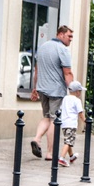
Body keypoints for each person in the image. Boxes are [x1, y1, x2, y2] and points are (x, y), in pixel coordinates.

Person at [30, 25, 74, 160]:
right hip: (56, 91)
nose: (71, 39)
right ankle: (50, 153)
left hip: (42, 89)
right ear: (60, 34)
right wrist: (72, 90)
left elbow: (37, 70)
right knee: (55, 120)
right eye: (69, 36)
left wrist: (35, 88)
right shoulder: (62, 50)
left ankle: (37, 139)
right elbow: (67, 73)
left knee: (47, 117)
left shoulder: (42, 47)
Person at [58, 81, 86, 167]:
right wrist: (85, 121)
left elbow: (61, 109)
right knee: (68, 141)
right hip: (71, 123)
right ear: (77, 91)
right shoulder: (77, 100)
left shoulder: (65, 98)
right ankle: (62, 158)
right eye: (80, 91)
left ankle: (71, 156)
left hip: (64, 123)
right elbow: (80, 113)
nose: (80, 93)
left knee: (68, 139)